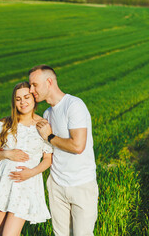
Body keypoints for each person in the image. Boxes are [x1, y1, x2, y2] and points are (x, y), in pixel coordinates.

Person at [28, 65, 98, 236]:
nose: (31, 90)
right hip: (57, 185)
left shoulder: (74, 105)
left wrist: (50, 136)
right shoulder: (47, 113)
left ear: (49, 82)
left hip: (81, 184)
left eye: (34, 85)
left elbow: (77, 146)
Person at [0, 82, 53, 236]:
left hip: (25, 184)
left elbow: (47, 159)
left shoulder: (42, 126)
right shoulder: (5, 124)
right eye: (18, 99)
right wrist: (6, 154)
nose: (23, 102)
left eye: (26, 97)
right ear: (14, 102)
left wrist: (31, 173)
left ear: (34, 99)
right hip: (1, 183)